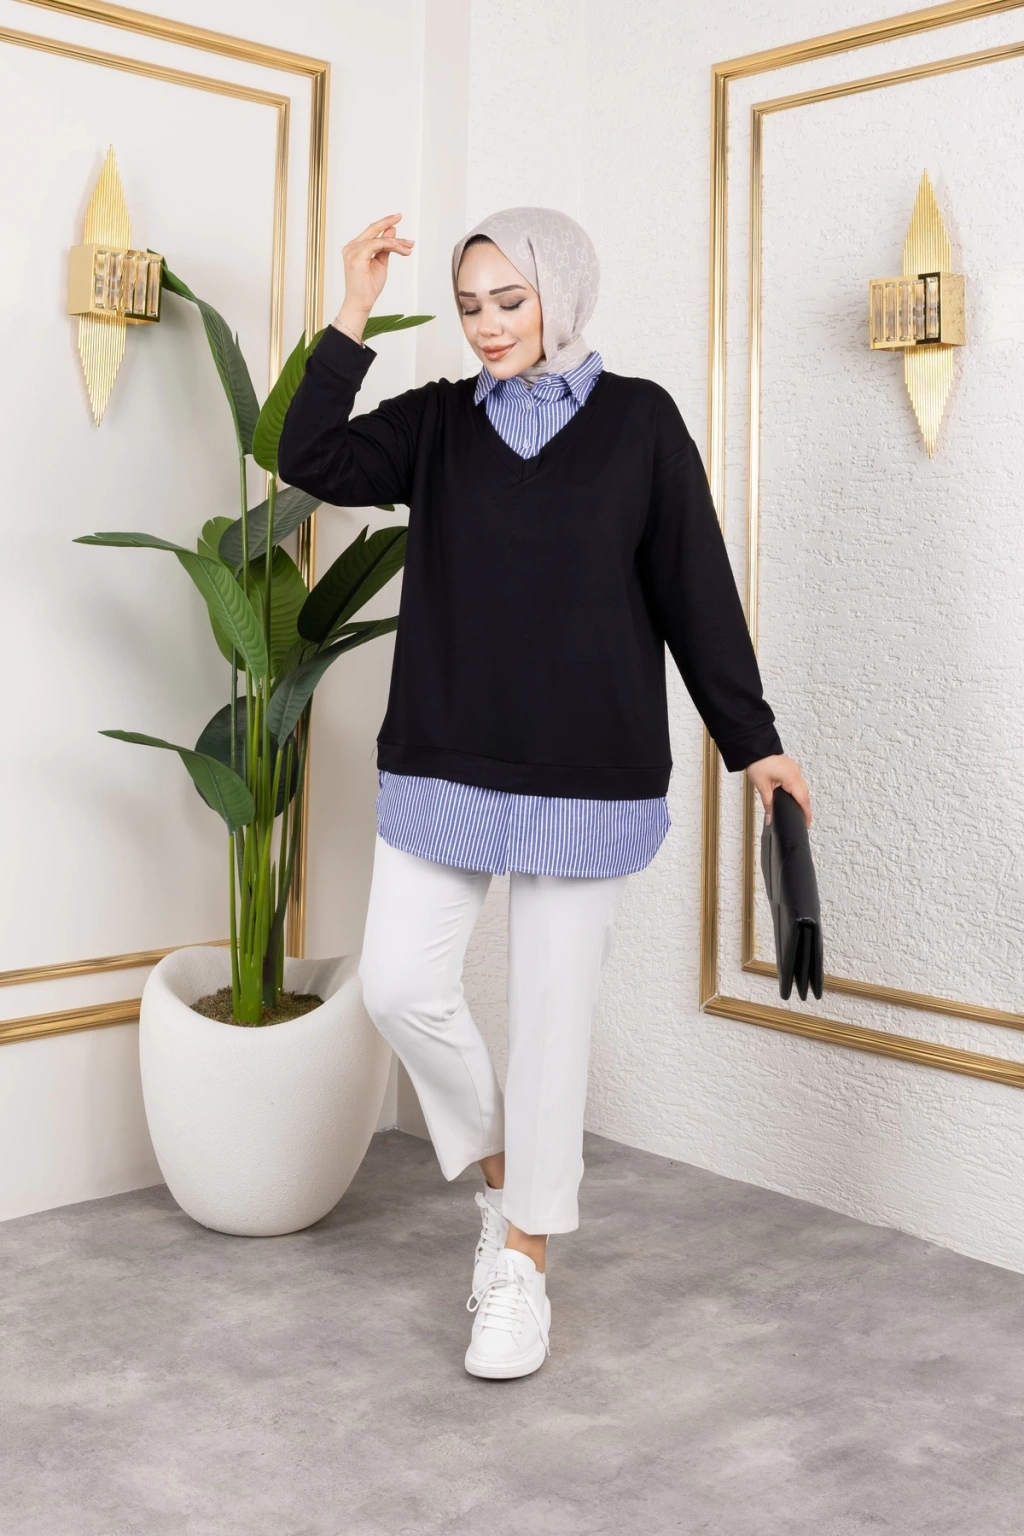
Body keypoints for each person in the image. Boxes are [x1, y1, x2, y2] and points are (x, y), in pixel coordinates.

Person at [277, 207, 812, 1381]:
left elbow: (694, 591)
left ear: (560, 293)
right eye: (470, 307)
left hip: (586, 770)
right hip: (444, 759)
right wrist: (353, 307)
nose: (486, 327)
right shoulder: (435, 426)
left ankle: (522, 1263)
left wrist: (754, 743)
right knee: (400, 987)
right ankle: (506, 1177)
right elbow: (307, 459)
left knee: (550, 1025)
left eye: (508, 302)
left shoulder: (640, 422)